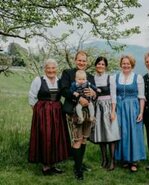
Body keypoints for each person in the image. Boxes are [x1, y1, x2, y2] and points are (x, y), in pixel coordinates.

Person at [28, 59, 70, 175]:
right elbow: (32, 96)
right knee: (45, 136)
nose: (51, 70)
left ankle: (52, 165)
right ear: (45, 69)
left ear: (56, 69)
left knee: (56, 136)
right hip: (43, 113)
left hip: (57, 113)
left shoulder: (59, 81)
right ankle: (45, 166)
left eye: (53, 68)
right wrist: (37, 112)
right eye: (48, 68)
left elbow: (65, 94)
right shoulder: (38, 80)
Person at [60, 51, 96, 180]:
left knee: (85, 138)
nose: (82, 63)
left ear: (87, 62)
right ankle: (78, 168)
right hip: (74, 111)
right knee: (77, 139)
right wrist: (79, 98)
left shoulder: (90, 76)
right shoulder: (67, 73)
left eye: (84, 61)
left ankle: (79, 163)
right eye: (79, 60)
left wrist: (93, 94)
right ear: (75, 60)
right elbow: (63, 90)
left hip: (88, 112)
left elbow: (95, 93)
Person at [114, 55, 146, 172]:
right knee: (123, 132)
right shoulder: (116, 77)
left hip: (133, 108)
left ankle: (134, 161)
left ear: (132, 64)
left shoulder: (138, 78)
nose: (126, 65)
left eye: (128, 63)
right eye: (124, 63)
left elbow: (141, 97)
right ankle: (125, 159)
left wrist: (141, 112)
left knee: (134, 133)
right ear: (121, 64)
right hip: (120, 108)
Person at [90, 56, 120, 171]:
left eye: (102, 64)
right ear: (95, 65)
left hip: (108, 107)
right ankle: (104, 159)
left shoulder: (110, 78)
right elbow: (92, 95)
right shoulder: (92, 79)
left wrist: (113, 111)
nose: (100, 66)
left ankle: (112, 161)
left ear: (105, 66)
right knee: (101, 133)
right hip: (97, 107)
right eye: (98, 64)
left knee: (111, 134)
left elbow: (113, 96)